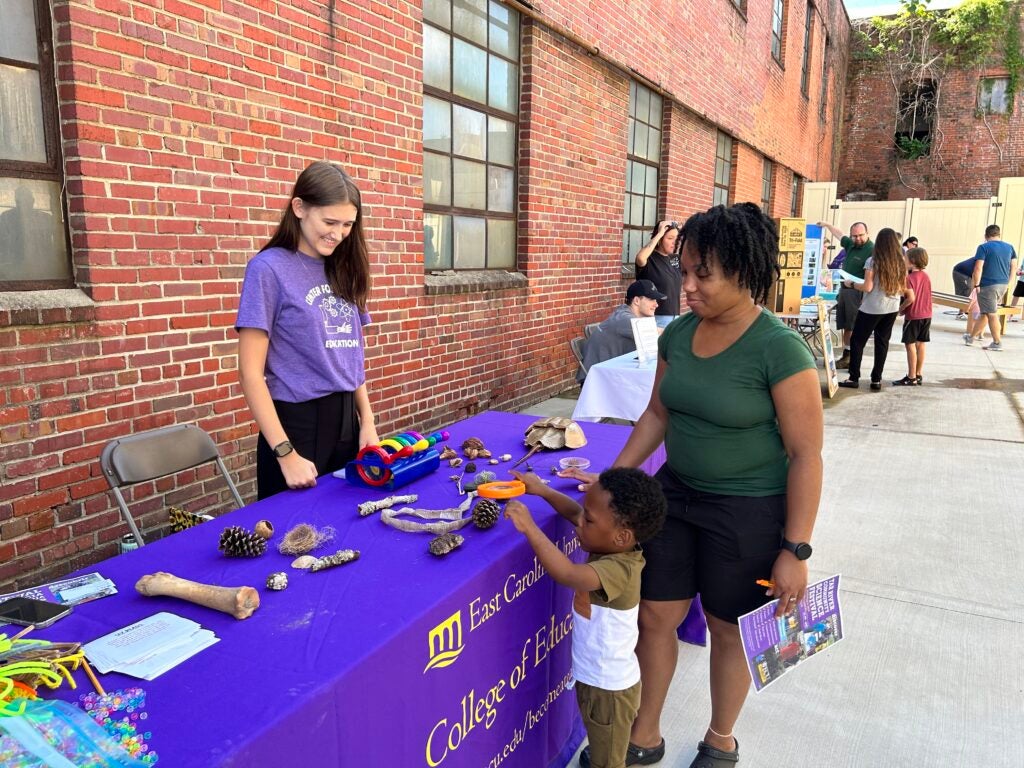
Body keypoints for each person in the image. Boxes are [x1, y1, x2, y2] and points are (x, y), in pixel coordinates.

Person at [568, 203, 823, 768]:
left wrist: (795, 549)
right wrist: (615, 477)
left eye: (700, 274)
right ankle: (645, 733)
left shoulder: (779, 349)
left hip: (749, 510)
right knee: (655, 614)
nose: (685, 287)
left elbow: (806, 455)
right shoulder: (678, 335)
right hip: (675, 497)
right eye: (683, 271)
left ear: (742, 271)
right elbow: (656, 414)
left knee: (727, 628)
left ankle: (720, 738)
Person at [504, 468, 666, 768]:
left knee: (608, 760)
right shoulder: (612, 545)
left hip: (610, 691)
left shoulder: (620, 569)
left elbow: (567, 573)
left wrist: (529, 527)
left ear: (621, 536)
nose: (579, 523)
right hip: (594, 677)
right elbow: (576, 512)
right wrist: (542, 490)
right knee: (600, 739)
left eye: (588, 521)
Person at [236, 162, 378, 499]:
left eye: (347, 224)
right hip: (296, 427)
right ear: (299, 208)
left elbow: (350, 358)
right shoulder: (268, 269)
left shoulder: (343, 267)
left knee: (347, 528)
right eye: (329, 222)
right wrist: (285, 453)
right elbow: (249, 373)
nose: (339, 233)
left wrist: (367, 423)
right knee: (293, 540)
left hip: (347, 422)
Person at [838, 228, 906, 391]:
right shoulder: (901, 261)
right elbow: (903, 287)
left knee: (857, 341)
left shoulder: (872, 261)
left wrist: (851, 284)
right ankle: (876, 380)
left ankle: (854, 377)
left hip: (872, 307)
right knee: (882, 343)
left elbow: (868, 287)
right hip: (891, 307)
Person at [579, 280, 667, 382]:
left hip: (612, 372)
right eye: (652, 299)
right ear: (637, 301)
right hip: (596, 380)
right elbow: (659, 333)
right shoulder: (625, 319)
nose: (656, 305)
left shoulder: (626, 314)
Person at [817, 221, 873, 369]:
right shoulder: (851, 245)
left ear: (867, 233)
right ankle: (847, 355)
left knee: (852, 326)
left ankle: (850, 357)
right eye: (854, 236)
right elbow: (839, 234)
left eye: (861, 235)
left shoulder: (872, 250)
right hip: (846, 290)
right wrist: (827, 225)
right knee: (845, 325)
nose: (858, 239)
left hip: (858, 292)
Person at [966, 224, 1017, 352]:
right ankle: (971, 337)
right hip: (1003, 284)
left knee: (991, 314)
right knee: (985, 313)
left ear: (986, 236)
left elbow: (978, 267)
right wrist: (1008, 283)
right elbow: (1014, 267)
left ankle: (997, 342)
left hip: (988, 285)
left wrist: (976, 284)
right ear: (999, 234)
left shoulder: (983, 247)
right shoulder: (1010, 247)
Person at [893, 247, 932, 386]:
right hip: (926, 314)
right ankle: (918, 373)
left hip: (914, 315)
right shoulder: (926, 276)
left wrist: (900, 310)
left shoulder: (908, 278)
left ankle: (911, 376)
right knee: (921, 344)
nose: (904, 260)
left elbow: (910, 298)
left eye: (905, 258)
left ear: (912, 261)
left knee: (910, 346)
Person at [635, 221, 682, 316]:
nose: (674, 242)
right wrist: (660, 233)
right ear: (660, 240)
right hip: (654, 317)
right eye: (670, 238)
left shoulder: (675, 258)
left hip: (675, 317)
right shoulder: (649, 259)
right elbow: (640, 258)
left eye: (676, 238)